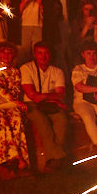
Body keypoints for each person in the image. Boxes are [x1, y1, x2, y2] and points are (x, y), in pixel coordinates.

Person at [0, 41, 31, 175]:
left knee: (16, 119)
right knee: (1, 120)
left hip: (10, 103)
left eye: (10, 52)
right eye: (3, 52)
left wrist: (14, 101)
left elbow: (15, 90)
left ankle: (17, 157)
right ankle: (13, 157)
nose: (6, 55)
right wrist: (14, 100)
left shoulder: (15, 71)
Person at [21, 41, 69, 172]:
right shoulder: (26, 68)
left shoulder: (57, 71)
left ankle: (54, 159)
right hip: (31, 104)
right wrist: (51, 95)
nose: (43, 56)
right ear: (35, 54)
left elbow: (60, 95)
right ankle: (58, 158)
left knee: (62, 120)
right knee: (42, 123)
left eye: (46, 53)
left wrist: (45, 97)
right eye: (40, 53)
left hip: (51, 104)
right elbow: (32, 95)